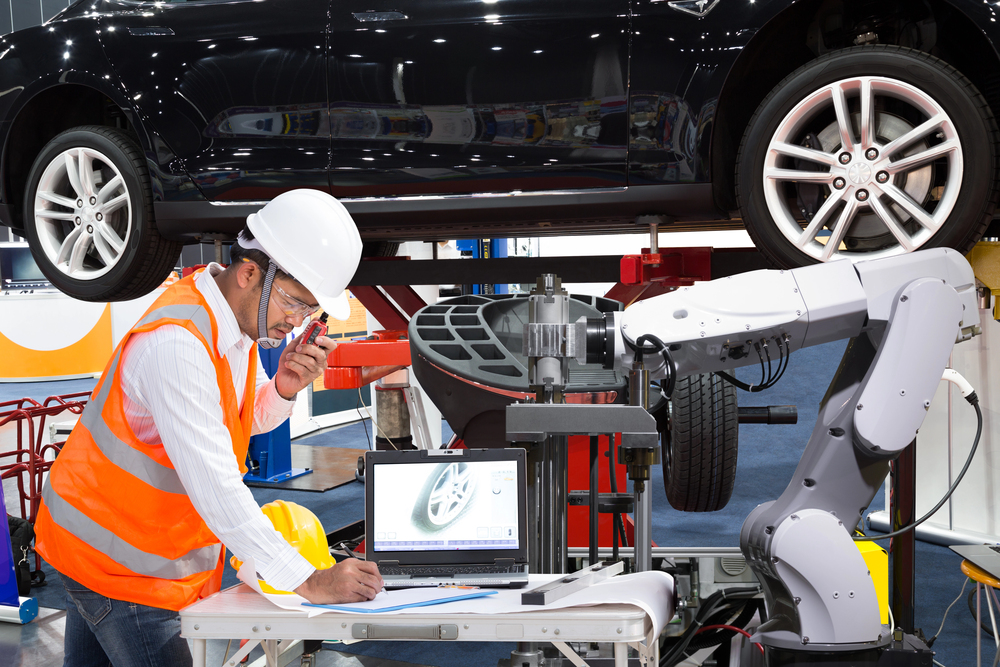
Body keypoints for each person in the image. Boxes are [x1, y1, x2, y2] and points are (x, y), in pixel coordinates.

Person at [35, 189, 384, 667]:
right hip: (124, 566)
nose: (298, 322)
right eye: (295, 304)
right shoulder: (179, 344)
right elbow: (217, 485)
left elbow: (241, 420)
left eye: (310, 313)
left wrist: (283, 387)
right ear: (249, 274)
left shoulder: (231, 326)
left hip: (112, 550)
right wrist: (308, 578)